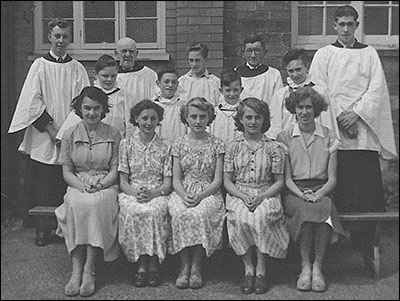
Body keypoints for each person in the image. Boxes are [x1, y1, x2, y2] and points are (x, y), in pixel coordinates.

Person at [309, 4, 397, 273]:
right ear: (334, 26)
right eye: (341, 24)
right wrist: (338, 118)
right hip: (334, 131)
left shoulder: (369, 54)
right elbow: (318, 90)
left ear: (357, 25)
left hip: (362, 132)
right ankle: (331, 248)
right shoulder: (323, 55)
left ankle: (368, 247)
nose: (346, 29)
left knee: (365, 193)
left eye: (351, 24)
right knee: (336, 188)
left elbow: (376, 90)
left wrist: (356, 114)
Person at [7, 18, 90, 247]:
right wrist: (52, 130)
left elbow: (82, 102)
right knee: (44, 183)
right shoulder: (39, 66)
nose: (61, 40)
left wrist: (66, 133)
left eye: (65, 36)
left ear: (70, 38)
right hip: (45, 134)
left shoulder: (77, 68)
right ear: (49, 38)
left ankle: (64, 229)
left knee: (65, 181)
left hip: (69, 133)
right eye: (57, 36)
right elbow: (31, 101)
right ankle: (43, 228)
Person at [276, 87, 346, 292]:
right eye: (300, 107)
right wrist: (302, 194)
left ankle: (318, 267)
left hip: (322, 189)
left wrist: (319, 193)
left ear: (316, 109)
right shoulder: (285, 137)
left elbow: (332, 178)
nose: (304, 112)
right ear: (294, 109)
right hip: (294, 191)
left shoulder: (328, 136)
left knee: (323, 210)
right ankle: (305, 265)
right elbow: (287, 179)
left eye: (309, 107)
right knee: (306, 211)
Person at [55, 86, 121, 297]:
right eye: (87, 108)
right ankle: (76, 270)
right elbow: (67, 171)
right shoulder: (69, 134)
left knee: (95, 204)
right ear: (79, 109)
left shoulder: (113, 133)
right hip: (78, 182)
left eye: (96, 108)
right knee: (75, 203)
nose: (91, 113)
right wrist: (80, 185)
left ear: (103, 110)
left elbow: (115, 169)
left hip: (106, 183)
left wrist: (101, 184)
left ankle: (89, 268)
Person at [224, 97, 289, 295]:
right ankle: (248, 269)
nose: (253, 122)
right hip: (239, 192)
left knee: (260, 217)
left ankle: (261, 269)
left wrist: (261, 197)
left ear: (264, 120)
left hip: (266, 192)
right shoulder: (232, 147)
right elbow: (227, 181)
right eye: (248, 117)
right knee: (242, 217)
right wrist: (243, 196)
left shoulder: (274, 147)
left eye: (257, 117)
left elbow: (279, 181)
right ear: (241, 119)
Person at [168, 97, 225, 289]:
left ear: (209, 118)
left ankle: (197, 266)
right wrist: (184, 195)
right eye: (194, 116)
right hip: (183, 190)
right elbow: (176, 178)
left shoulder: (218, 144)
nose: (198, 121)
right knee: (180, 213)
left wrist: (201, 196)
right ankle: (184, 266)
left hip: (208, 191)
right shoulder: (178, 144)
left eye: (203, 116)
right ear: (186, 118)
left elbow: (218, 180)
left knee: (200, 214)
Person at [118, 99, 172, 288]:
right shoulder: (126, 144)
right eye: (144, 118)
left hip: (158, 192)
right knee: (134, 211)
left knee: (154, 212)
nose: (148, 122)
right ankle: (141, 265)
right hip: (132, 191)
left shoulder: (166, 146)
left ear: (159, 121)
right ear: (136, 119)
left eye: (153, 118)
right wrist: (136, 194)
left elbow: (168, 182)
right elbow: (123, 181)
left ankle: (154, 264)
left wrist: (153, 193)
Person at [57, 54, 135, 140]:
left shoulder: (124, 97)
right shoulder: (89, 95)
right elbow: (75, 117)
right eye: (105, 76)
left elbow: (130, 125)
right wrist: (62, 136)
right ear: (96, 74)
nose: (109, 79)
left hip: (117, 142)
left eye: (113, 76)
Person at [267, 48, 339, 140]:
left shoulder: (321, 92)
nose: (295, 74)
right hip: (289, 143)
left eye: (298, 69)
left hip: (316, 142)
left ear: (307, 67)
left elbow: (328, 124)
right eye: (291, 71)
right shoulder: (280, 95)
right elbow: (275, 128)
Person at [115, 37, 158, 120]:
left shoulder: (148, 75)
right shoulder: (110, 76)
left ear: (136, 54)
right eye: (124, 51)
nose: (128, 55)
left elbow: (155, 101)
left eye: (131, 51)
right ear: (116, 54)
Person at [235, 35, 283, 106]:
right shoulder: (235, 73)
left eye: (257, 50)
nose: (253, 55)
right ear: (243, 53)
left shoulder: (274, 74)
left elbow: (278, 102)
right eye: (249, 51)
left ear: (264, 52)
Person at [178, 42, 221, 107]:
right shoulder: (182, 82)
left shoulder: (215, 82)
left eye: (197, 60)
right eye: (191, 60)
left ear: (206, 60)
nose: (194, 64)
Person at [153, 66, 188, 145]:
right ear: (158, 83)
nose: (170, 85)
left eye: (174, 82)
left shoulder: (184, 106)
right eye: (166, 81)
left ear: (178, 84)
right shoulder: (151, 106)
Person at [210, 68, 243, 144]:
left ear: (241, 90)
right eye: (228, 90)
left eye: (235, 90)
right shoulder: (214, 113)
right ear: (221, 91)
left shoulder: (244, 112)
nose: (232, 94)